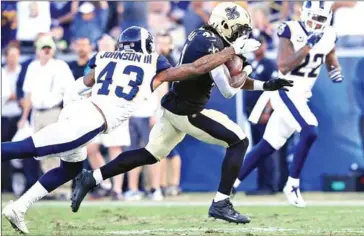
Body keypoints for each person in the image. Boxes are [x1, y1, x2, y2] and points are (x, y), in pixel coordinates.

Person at [2, 25, 256, 234]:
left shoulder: (103, 57)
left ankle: (19, 207)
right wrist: (232, 51)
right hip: (88, 122)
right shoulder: (154, 64)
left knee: (70, 169)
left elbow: (82, 83)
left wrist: (74, 106)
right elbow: (195, 68)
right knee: (24, 148)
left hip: (80, 110)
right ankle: (19, 204)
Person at [71, 2, 292, 224]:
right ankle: (221, 203)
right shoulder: (212, 44)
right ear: (224, 25)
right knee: (239, 141)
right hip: (189, 111)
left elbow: (230, 80)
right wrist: (248, 66)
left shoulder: (206, 36)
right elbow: (227, 89)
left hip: (174, 107)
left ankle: (92, 177)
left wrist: (265, 85)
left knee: (149, 154)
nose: (238, 35)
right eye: (237, 29)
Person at [233, 1, 343, 208]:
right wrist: (308, 45)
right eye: (314, 18)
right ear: (304, 14)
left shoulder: (329, 34)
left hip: (302, 94)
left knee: (268, 145)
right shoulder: (289, 29)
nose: (317, 23)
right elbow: (283, 66)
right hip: (285, 89)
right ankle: (292, 184)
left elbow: (330, 55)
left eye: (321, 19)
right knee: (310, 130)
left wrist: (334, 69)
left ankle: (230, 183)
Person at [232, 31, 280, 195]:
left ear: (266, 45)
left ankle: (270, 185)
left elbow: (274, 89)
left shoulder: (269, 64)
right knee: (259, 149)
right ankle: (262, 185)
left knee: (266, 148)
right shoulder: (252, 64)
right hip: (253, 114)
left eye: (261, 43)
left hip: (264, 114)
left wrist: (267, 110)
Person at [1, 44, 23, 193]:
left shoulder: (23, 71)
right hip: (3, 117)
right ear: (6, 57)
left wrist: (12, 96)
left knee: (26, 151)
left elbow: (23, 94)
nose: (13, 58)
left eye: (16, 55)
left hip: (20, 116)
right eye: (10, 55)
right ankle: (4, 186)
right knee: (3, 153)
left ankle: (29, 183)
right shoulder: (3, 72)